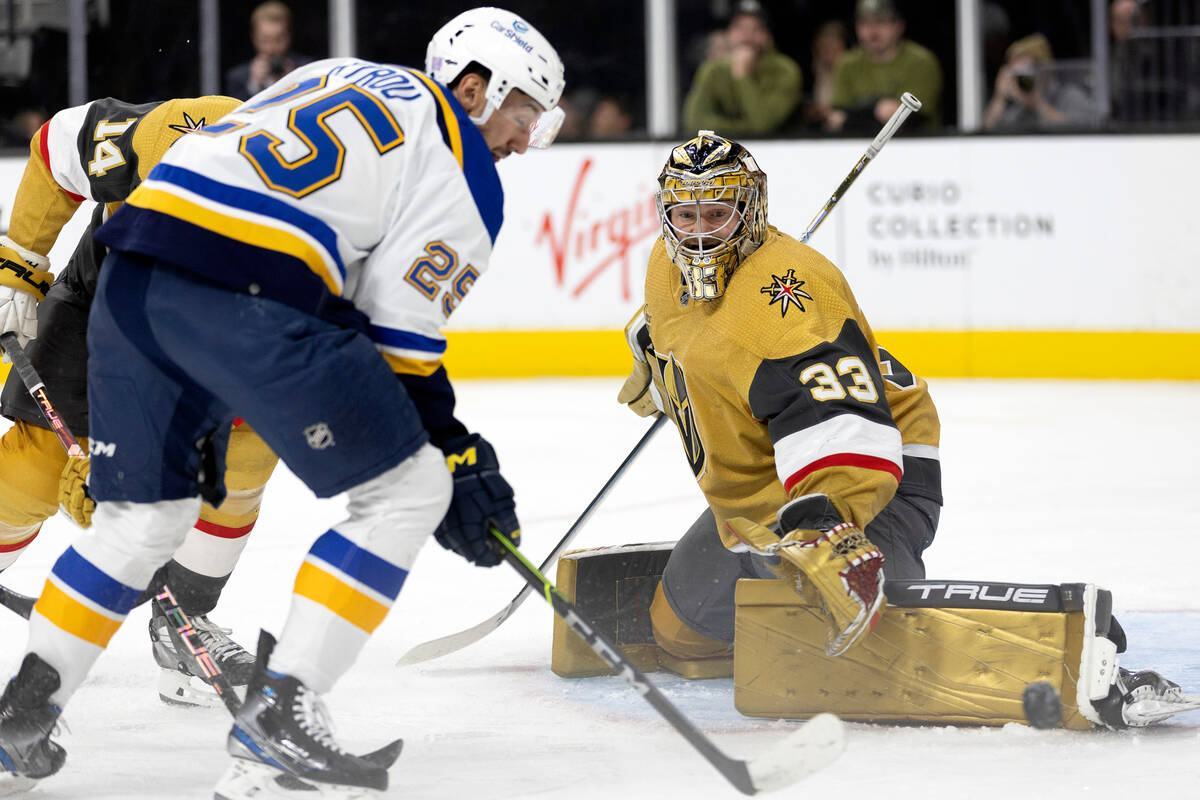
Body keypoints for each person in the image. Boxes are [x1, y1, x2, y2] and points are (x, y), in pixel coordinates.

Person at [0, 6, 565, 798]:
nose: (522, 140)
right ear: (476, 87)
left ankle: (21, 718)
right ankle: (280, 718)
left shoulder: (323, 75)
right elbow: (398, 344)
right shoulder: (463, 171)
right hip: (245, 295)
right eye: (524, 115)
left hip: (131, 277)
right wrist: (457, 458)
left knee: (145, 519)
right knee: (406, 493)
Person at [616, 131, 1195, 730]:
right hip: (764, 497)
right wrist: (661, 369)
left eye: (718, 213)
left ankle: (1061, 657)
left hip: (870, 475)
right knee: (680, 633)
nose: (701, 232)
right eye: (686, 214)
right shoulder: (665, 264)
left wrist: (827, 524)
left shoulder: (784, 298)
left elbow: (844, 425)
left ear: (751, 207)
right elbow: (683, 331)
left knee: (865, 643)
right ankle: (788, 611)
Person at [0, 93, 277, 709]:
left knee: (248, 449)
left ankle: (183, 624)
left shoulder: (291, 217)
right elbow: (51, 149)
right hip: (100, 297)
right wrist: (17, 263)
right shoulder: (117, 140)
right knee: (41, 467)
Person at [681, 0, 803, 136]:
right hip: (723, 151)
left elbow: (763, 125)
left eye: (756, 29)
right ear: (728, 34)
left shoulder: (785, 71)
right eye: (740, 28)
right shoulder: (713, 70)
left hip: (778, 152)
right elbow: (694, 123)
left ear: (768, 37)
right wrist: (743, 127)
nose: (747, 36)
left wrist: (742, 76)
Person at [826, 0, 943, 133]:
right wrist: (877, 108)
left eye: (880, 21)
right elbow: (835, 118)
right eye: (864, 23)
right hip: (858, 145)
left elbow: (907, 119)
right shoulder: (847, 63)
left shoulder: (921, 62)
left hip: (914, 146)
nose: (872, 31)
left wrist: (852, 117)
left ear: (899, 25)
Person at [982, 34, 1097, 130]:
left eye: (1028, 72)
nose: (1024, 79)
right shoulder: (1015, 107)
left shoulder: (1070, 96)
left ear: (1044, 71)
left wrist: (1039, 104)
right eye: (1018, 74)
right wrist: (999, 98)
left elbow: (1084, 131)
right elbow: (987, 131)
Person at [224, 1, 314, 100]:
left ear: (289, 36)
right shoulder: (238, 77)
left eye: (279, 40)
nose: (272, 48)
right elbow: (234, 113)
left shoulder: (309, 69)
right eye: (265, 40)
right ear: (254, 38)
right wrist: (254, 85)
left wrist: (295, 82)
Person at [803, 20, 848, 129]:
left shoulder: (850, 71)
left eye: (833, 48)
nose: (828, 54)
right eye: (823, 48)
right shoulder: (813, 71)